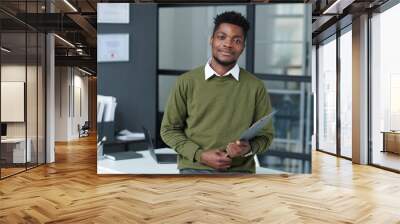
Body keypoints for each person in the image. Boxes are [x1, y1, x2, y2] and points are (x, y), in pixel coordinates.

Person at [160, 11, 274, 174]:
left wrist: (247, 148)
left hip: (239, 171)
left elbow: (266, 136)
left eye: (237, 40)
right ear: (211, 40)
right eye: (222, 37)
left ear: (243, 47)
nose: (228, 44)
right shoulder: (186, 82)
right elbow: (168, 130)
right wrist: (200, 155)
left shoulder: (256, 86)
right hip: (194, 168)